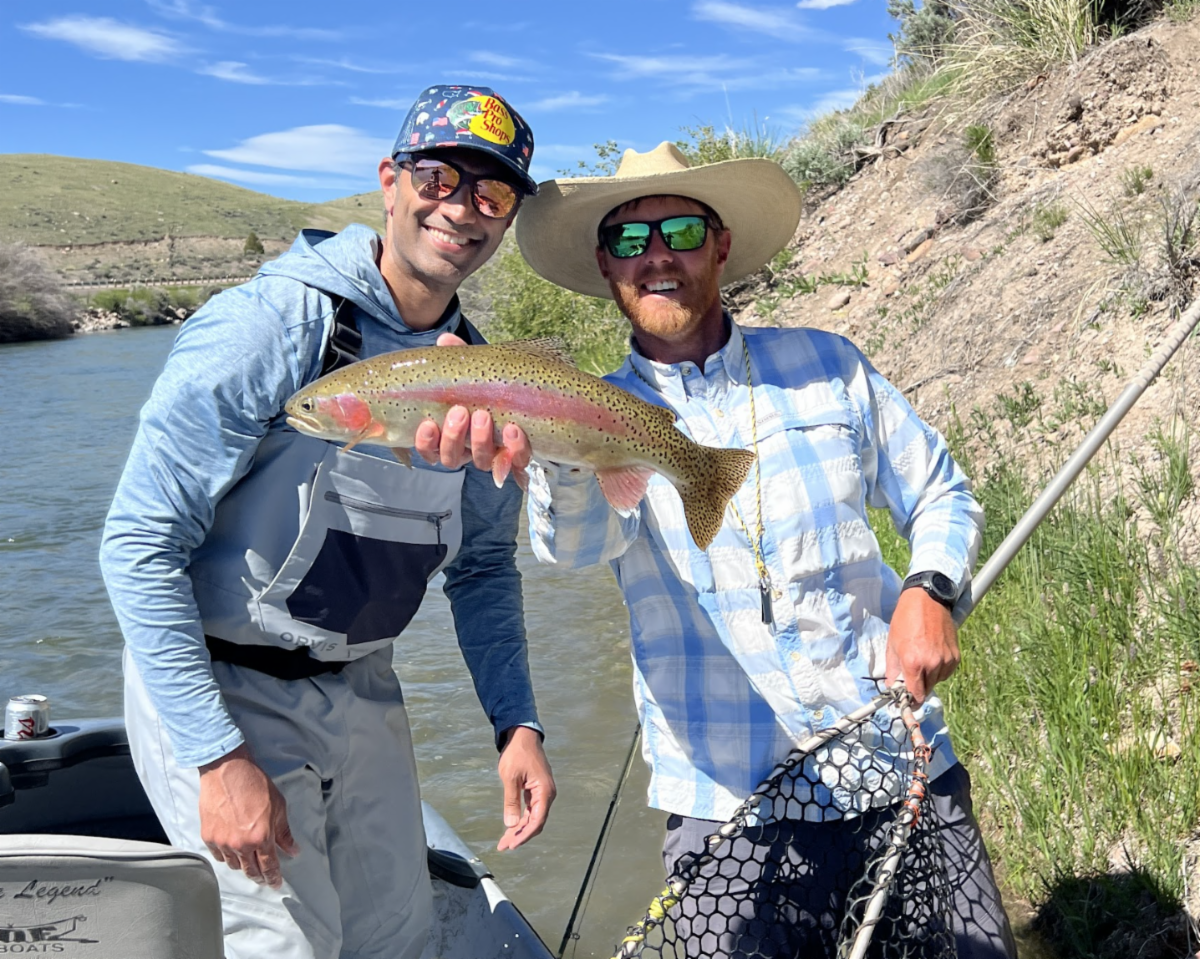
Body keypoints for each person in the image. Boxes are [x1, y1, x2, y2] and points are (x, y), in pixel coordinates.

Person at [418, 142, 1017, 957]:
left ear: (721, 244)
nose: (657, 255)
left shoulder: (828, 366)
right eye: (631, 241)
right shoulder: (594, 408)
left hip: (899, 765)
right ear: (605, 266)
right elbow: (576, 549)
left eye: (680, 231)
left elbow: (941, 491)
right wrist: (555, 443)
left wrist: (929, 589)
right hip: (727, 807)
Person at [99, 84, 555, 959]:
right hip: (224, 688)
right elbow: (138, 546)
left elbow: (486, 568)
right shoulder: (269, 326)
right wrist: (215, 757)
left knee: (403, 939)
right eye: (439, 176)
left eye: (491, 194)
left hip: (363, 688)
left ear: (506, 222)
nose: (461, 208)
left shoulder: (484, 376)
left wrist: (517, 724)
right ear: (391, 181)